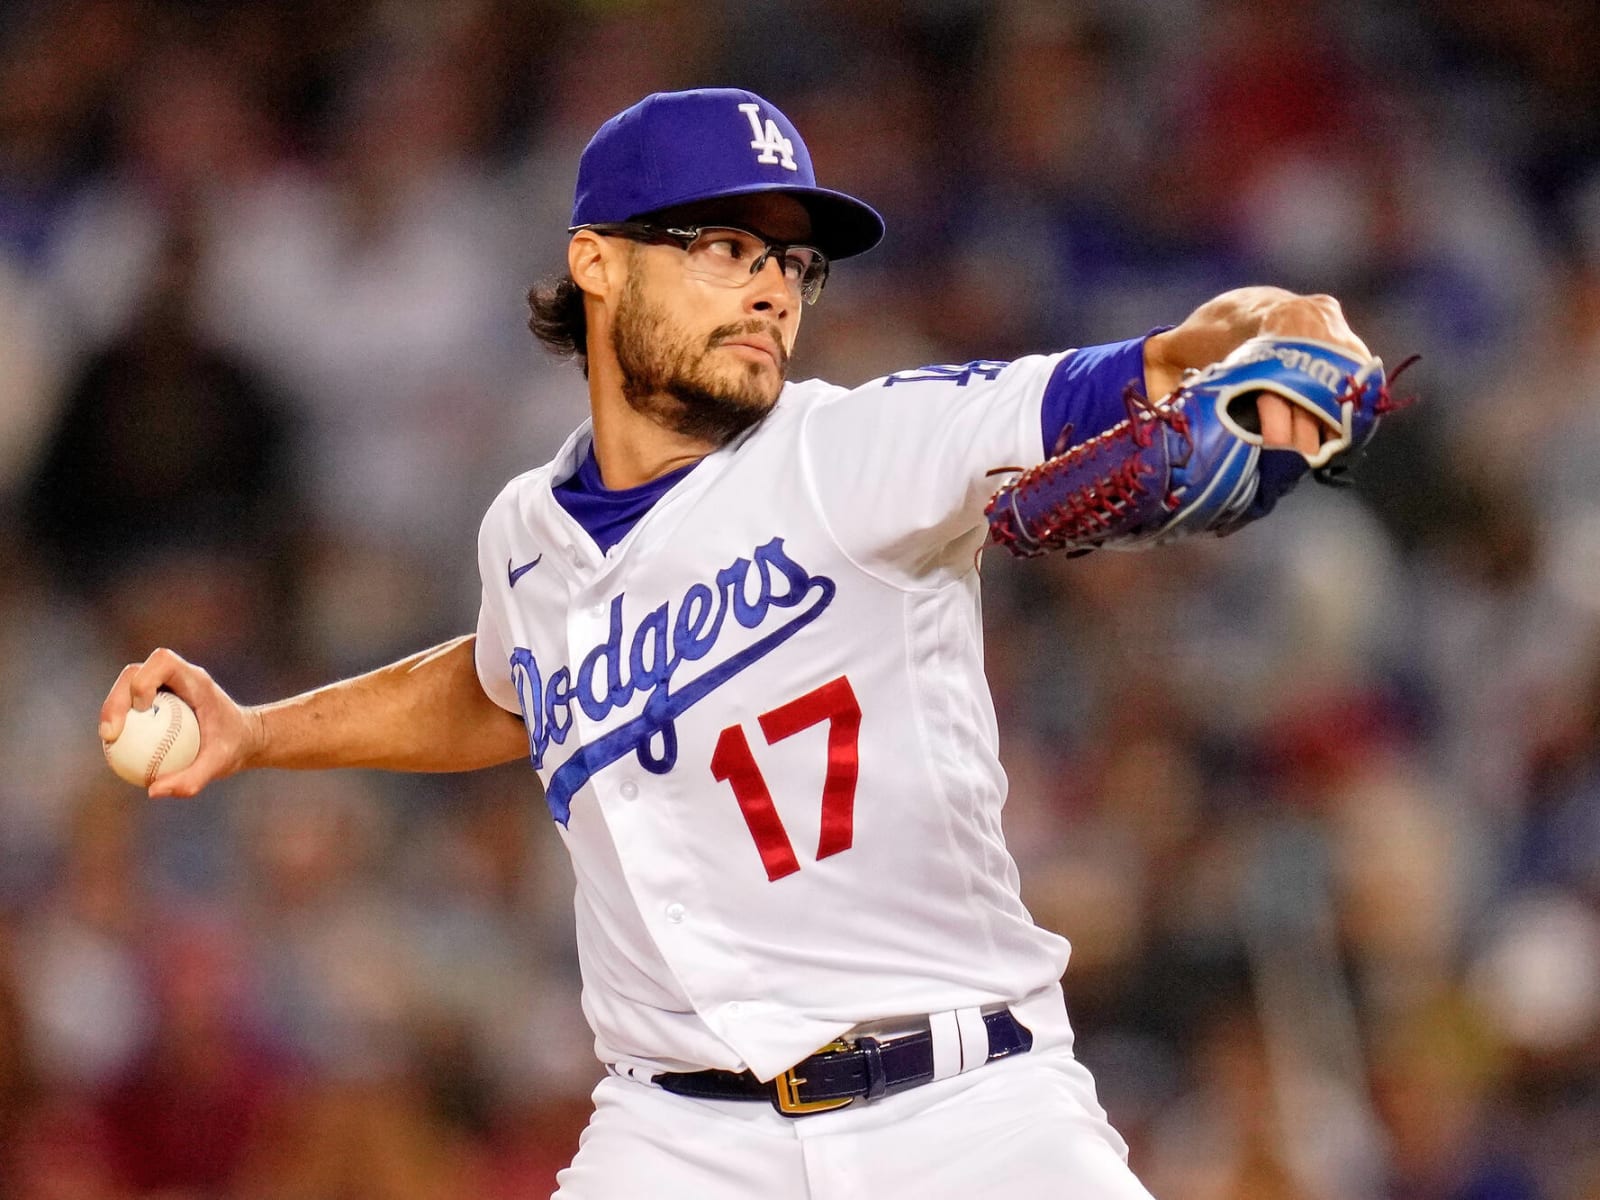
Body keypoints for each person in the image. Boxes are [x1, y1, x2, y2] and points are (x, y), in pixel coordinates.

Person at [100, 88, 1376, 1198]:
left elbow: (1171, 356)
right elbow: (503, 690)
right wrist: (257, 732)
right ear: (596, 262)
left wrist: (1286, 325)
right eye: (724, 245)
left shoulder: (853, 450)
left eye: (794, 262)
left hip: (968, 1115)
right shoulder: (526, 536)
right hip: (675, 1136)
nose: (774, 284)